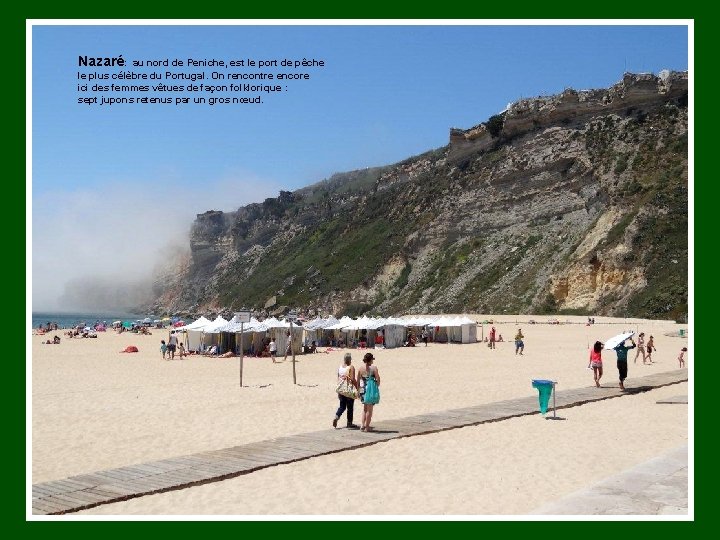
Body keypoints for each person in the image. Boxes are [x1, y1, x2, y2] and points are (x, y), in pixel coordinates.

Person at [333, 353, 359, 429]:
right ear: (350, 359)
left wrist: (338, 390)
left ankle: (336, 416)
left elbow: (338, 378)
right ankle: (349, 423)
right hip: (348, 390)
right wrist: (357, 387)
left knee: (342, 406)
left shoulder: (340, 367)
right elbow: (353, 379)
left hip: (341, 389)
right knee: (350, 407)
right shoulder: (351, 367)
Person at [358, 352, 380, 432]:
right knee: (369, 410)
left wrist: (358, 391)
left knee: (364, 408)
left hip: (362, 389)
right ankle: (367, 427)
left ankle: (362, 425)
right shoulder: (374, 368)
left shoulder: (360, 368)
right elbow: (378, 380)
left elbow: (358, 381)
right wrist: (376, 386)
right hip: (370, 389)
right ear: (370, 360)